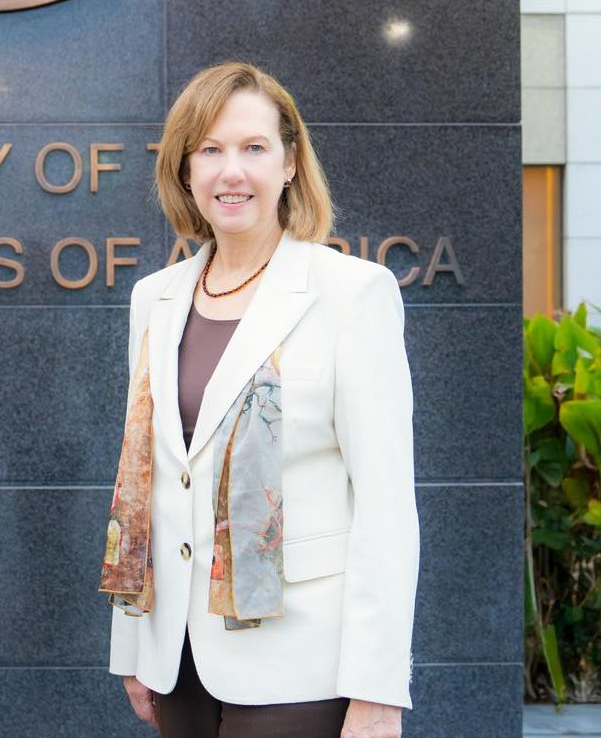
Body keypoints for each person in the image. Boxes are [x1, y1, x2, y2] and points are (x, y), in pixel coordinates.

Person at [103, 63, 419, 738]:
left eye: (253, 148)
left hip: (303, 660)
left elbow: (386, 507)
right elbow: (147, 485)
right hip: (177, 660)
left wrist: (377, 691)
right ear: (185, 170)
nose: (231, 172)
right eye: (210, 150)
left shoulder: (352, 294)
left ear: (290, 162)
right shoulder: (154, 300)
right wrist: (133, 648)